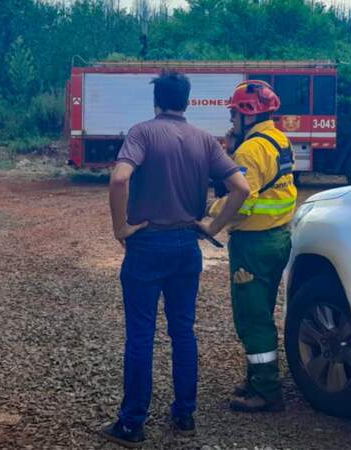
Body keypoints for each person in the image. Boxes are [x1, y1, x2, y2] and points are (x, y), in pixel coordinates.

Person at [102, 70, 250, 448]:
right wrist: (212, 227)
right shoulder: (204, 140)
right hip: (187, 247)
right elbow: (241, 188)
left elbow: (120, 179)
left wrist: (121, 228)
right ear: (186, 101)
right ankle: (184, 415)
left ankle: (132, 423)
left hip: (148, 245)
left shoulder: (143, 132)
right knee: (182, 332)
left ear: (157, 102)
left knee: (141, 335)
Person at [208, 80, 297, 413]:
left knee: (252, 318)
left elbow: (241, 200)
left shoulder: (250, 149)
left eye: (233, 112)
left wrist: (211, 216)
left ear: (248, 113)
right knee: (262, 309)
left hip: (254, 244)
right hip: (278, 238)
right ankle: (257, 379)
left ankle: (267, 390)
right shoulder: (278, 139)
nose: (231, 119)